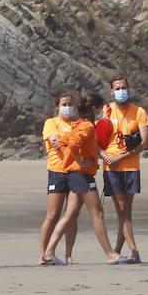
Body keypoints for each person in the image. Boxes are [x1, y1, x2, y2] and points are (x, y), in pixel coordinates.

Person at [40, 92, 124, 265]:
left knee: (69, 215)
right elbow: (73, 144)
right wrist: (80, 161)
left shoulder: (77, 124)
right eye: (101, 109)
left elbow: (65, 142)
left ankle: (49, 252)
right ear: (94, 109)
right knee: (97, 213)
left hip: (73, 172)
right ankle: (110, 253)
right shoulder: (86, 126)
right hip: (80, 174)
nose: (102, 112)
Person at [100, 74, 148, 264]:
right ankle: (134, 250)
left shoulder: (139, 112)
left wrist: (122, 156)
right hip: (111, 167)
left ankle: (117, 250)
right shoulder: (105, 112)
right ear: (111, 91)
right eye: (117, 88)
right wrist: (104, 155)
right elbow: (94, 139)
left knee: (126, 211)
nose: (121, 91)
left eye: (124, 87)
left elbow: (145, 143)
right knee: (121, 208)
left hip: (130, 165)